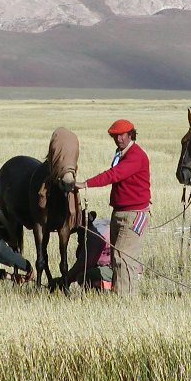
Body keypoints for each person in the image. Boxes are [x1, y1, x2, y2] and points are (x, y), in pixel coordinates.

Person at [75, 119, 151, 295]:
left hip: (133, 215)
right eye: (114, 136)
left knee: (123, 258)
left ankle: (126, 300)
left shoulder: (135, 156)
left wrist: (86, 184)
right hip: (120, 212)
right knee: (119, 259)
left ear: (130, 134)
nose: (118, 139)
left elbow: (113, 175)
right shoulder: (120, 153)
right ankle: (121, 295)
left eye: (121, 135)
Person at [61, 211, 113, 291]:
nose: (78, 239)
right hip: (126, 270)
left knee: (82, 276)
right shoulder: (102, 225)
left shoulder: (93, 236)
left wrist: (63, 281)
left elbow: (82, 264)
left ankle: (105, 288)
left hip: (117, 272)